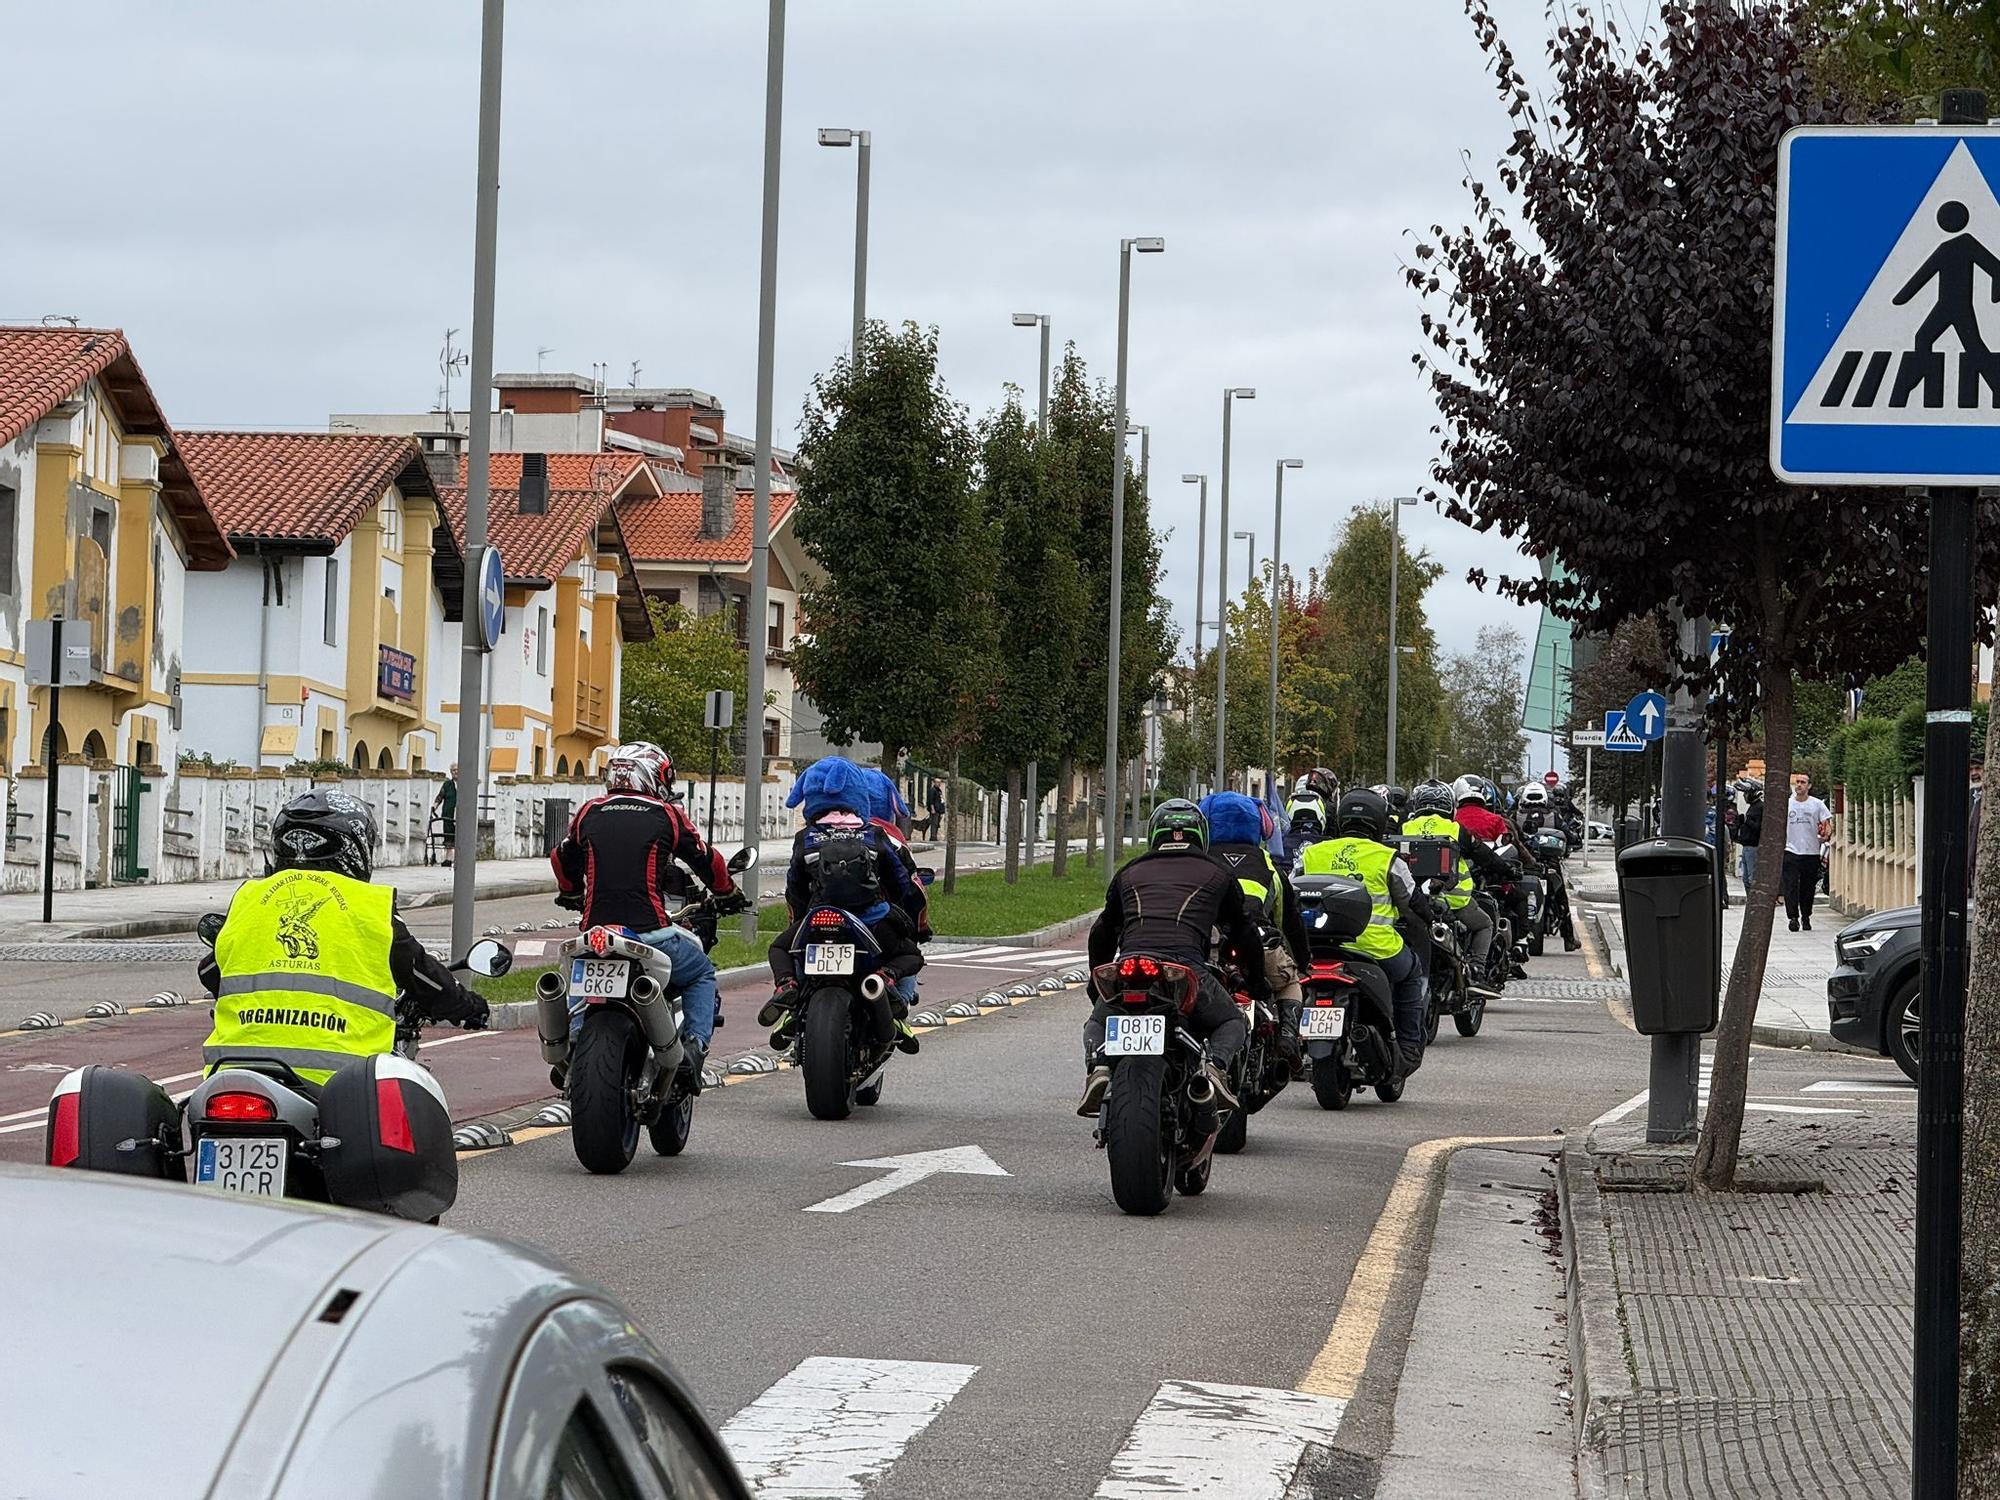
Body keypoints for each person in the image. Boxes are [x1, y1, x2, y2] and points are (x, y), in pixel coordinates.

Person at [201, 789, 489, 1084]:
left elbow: (211, 970)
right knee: (405, 1119)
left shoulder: (250, 897)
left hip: (233, 1072)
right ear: (356, 847)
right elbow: (421, 974)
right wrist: (468, 1006)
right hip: (339, 1080)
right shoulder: (368, 905)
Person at [550, 742, 738, 1089]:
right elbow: (705, 859)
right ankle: (695, 1048)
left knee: (581, 967)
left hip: (595, 933)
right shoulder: (665, 813)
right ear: (652, 775)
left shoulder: (589, 811)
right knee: (701, 973)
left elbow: (561, 858)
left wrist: (572, 890)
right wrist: (728, 891)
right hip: (652, 933)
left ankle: (575, 1040)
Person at [1077, 799, 1263, 1122]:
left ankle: (1100, 1066)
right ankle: (1214, 1070)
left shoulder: (1128, 872)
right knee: (1232, 1021)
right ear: (1201, 836)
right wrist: (1256, 982)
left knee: (1097, 1020)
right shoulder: (1218, 874)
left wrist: (1097, 988)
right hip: (1185, 969)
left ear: (1154, 834)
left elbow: (1102, 933)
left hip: (1131, 967)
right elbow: (1245, 933)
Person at [760, 757, 926, 1055]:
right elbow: (901, 882)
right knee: (911, 954)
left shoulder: (806, 838)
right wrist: (899, 913)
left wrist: (801, 918)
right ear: (858, 797)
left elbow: (794, 887)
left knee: (781, 948)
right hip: (872, 922)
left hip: (819, 919)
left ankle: (788, 989)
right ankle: (887, 980)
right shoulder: (873, 835)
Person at [1298, 787, 1428, 1077]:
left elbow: (1291, 888)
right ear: (1380, 821)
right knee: (1411, 975)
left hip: (1314, 948)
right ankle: (1407, 1047)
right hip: (1376, 951)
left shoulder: (1312, 853)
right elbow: (1412, 903)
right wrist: (1428, 915)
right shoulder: (1388, 858)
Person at [1201, 792, 1310, 1070]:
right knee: (1289, 982)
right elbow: (1289, 921)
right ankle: (1287, 1033)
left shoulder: (1199, 860)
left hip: (1208, 949)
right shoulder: (1269, 865)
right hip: (1257, 948)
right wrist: (1302, 960)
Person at [1406, 778, 1512, 993]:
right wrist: (1508, 870)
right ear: (1449, 805)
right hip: (1453, 901)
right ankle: (1476, 969)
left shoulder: (1406, 827)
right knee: (1484, 924)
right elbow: (1485, 856)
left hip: (1412, 900)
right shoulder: (1455, 829)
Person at [1781, 772, 1834, 931]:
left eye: (1803, 782)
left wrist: (1826, 834)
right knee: (1790, 885)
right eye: (1797, 782)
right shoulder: (1788, 804)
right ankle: (1793, 917)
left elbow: (1827, 823)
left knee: (1808, 887)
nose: (1799, 785)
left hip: (1811, 852)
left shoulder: (1817, 804)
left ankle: (1806, 915)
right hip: (1790, 850)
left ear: (1809, 786)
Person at [432, 765, 458, 869]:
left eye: (457, 770)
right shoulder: (447, 784)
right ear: (451, 772)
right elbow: (440, 796)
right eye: (453, 770)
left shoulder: (465, 784)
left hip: (461, 814)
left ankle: (458, 858)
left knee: (459, 836)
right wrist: (434, 806)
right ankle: (448, 858)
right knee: (448, 836)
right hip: (448, 813)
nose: (455, 772)